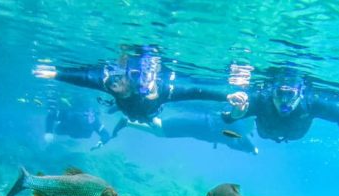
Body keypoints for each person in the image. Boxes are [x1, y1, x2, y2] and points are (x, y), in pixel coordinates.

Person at [34, 53, 232, 129]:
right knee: (119, 110)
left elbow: (195, 92)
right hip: (126, 110)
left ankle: (130, 118)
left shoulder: (165, 90)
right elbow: (84, 79)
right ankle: (116, 112)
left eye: (119, 79)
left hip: (148, 114)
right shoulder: (111, 84)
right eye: (113, 80)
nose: (114, 82)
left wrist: (225, 95)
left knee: (150, 122)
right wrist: (56, 73)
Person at [224, 74, 339, 173]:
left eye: (290, 94)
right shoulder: (262, 101)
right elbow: (227, 119)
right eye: (280, 93)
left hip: (286, 133)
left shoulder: (311, 103)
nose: (284, 101)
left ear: (300, 94)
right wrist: (234, 114)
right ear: (273, 93)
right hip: (269, 132)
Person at [126, 110, 258, 155]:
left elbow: (239, 143)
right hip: (200, 123)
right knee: (159, 125)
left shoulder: (234, 139)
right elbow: (244, 139)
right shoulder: (241, 127)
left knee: (160, 132)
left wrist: (251, 149)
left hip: (199, 131)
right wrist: (252, 148)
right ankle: (139, 109)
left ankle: (126, 122)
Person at [43, 104, 111, 149]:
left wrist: (100, 143)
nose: (90, 117)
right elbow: (50, 115)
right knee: (57, 130)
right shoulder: (70, 115)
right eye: (87, 114)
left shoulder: (95, 121)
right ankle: (59, 123)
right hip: (66, 128)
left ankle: (59, 124)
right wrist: (49, 132)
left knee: (58, 130)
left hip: (72, 131)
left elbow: (106, 134)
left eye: (92, 114)